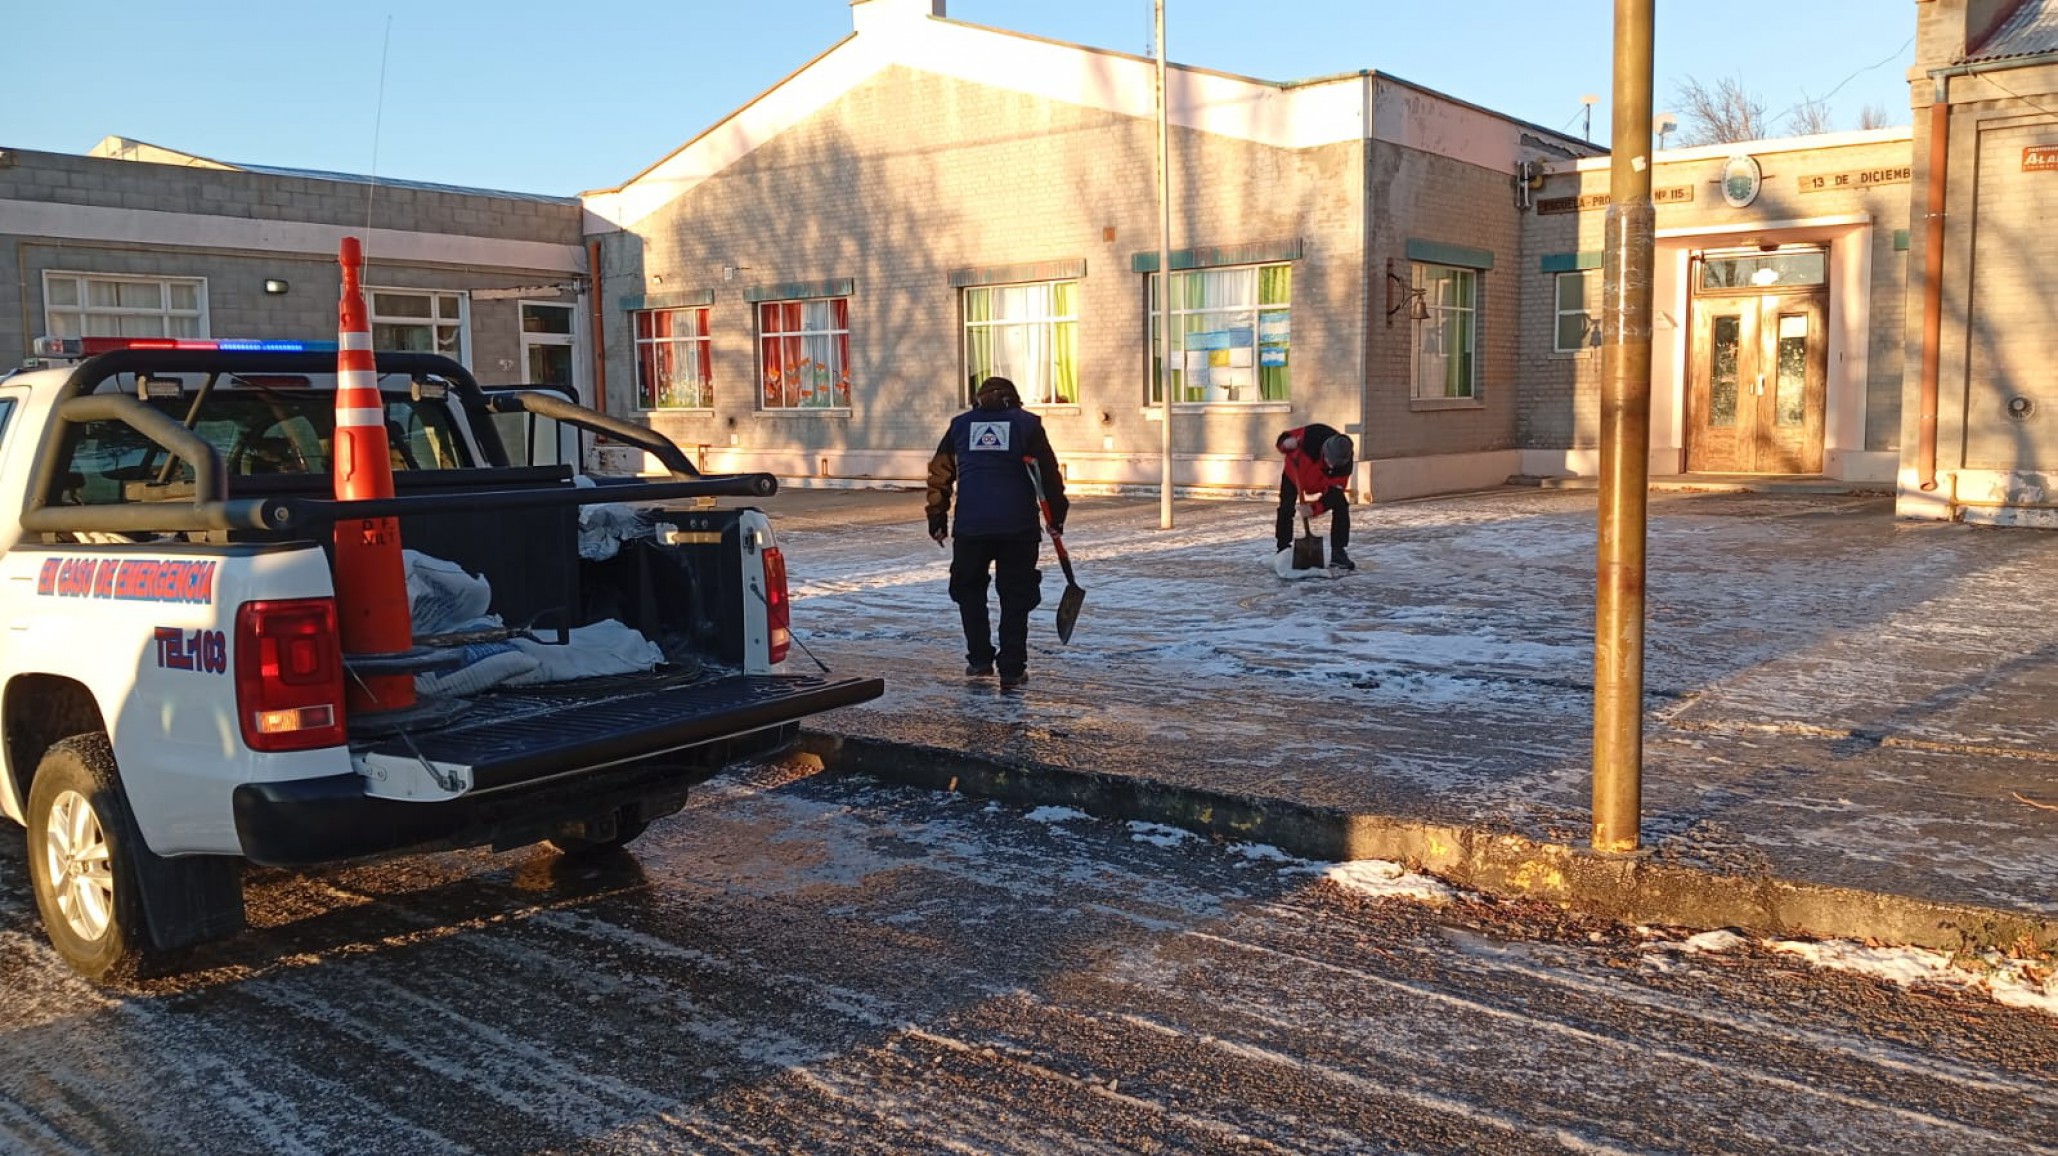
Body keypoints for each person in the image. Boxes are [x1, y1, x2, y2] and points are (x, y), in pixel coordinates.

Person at [926, 376, 1069, 690]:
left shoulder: (961, 426)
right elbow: (1049, 475)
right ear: (1014, 399)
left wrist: (937, 518)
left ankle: (979, 661)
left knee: (969, 593)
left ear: (978, 400)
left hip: (971, 528)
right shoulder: (1027, 425)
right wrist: (1056, 517)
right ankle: (1012, 668)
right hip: (1019, 528)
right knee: (1015, 597)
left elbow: (940, 474)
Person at [1274, 423, 1355, 570]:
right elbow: (1283, 439)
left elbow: (1334, 494)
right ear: (1324, 451)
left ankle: (1338, 552)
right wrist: (1285, 443)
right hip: (1294, 475)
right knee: (1286, 508)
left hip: (1320, 482)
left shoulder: (1344, 463)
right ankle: (1283, 548)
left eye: (1335, 464)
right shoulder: (1312, 435)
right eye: (1329, 461)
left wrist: (1314, 509)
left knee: (1342, 505)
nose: (1331, 466)